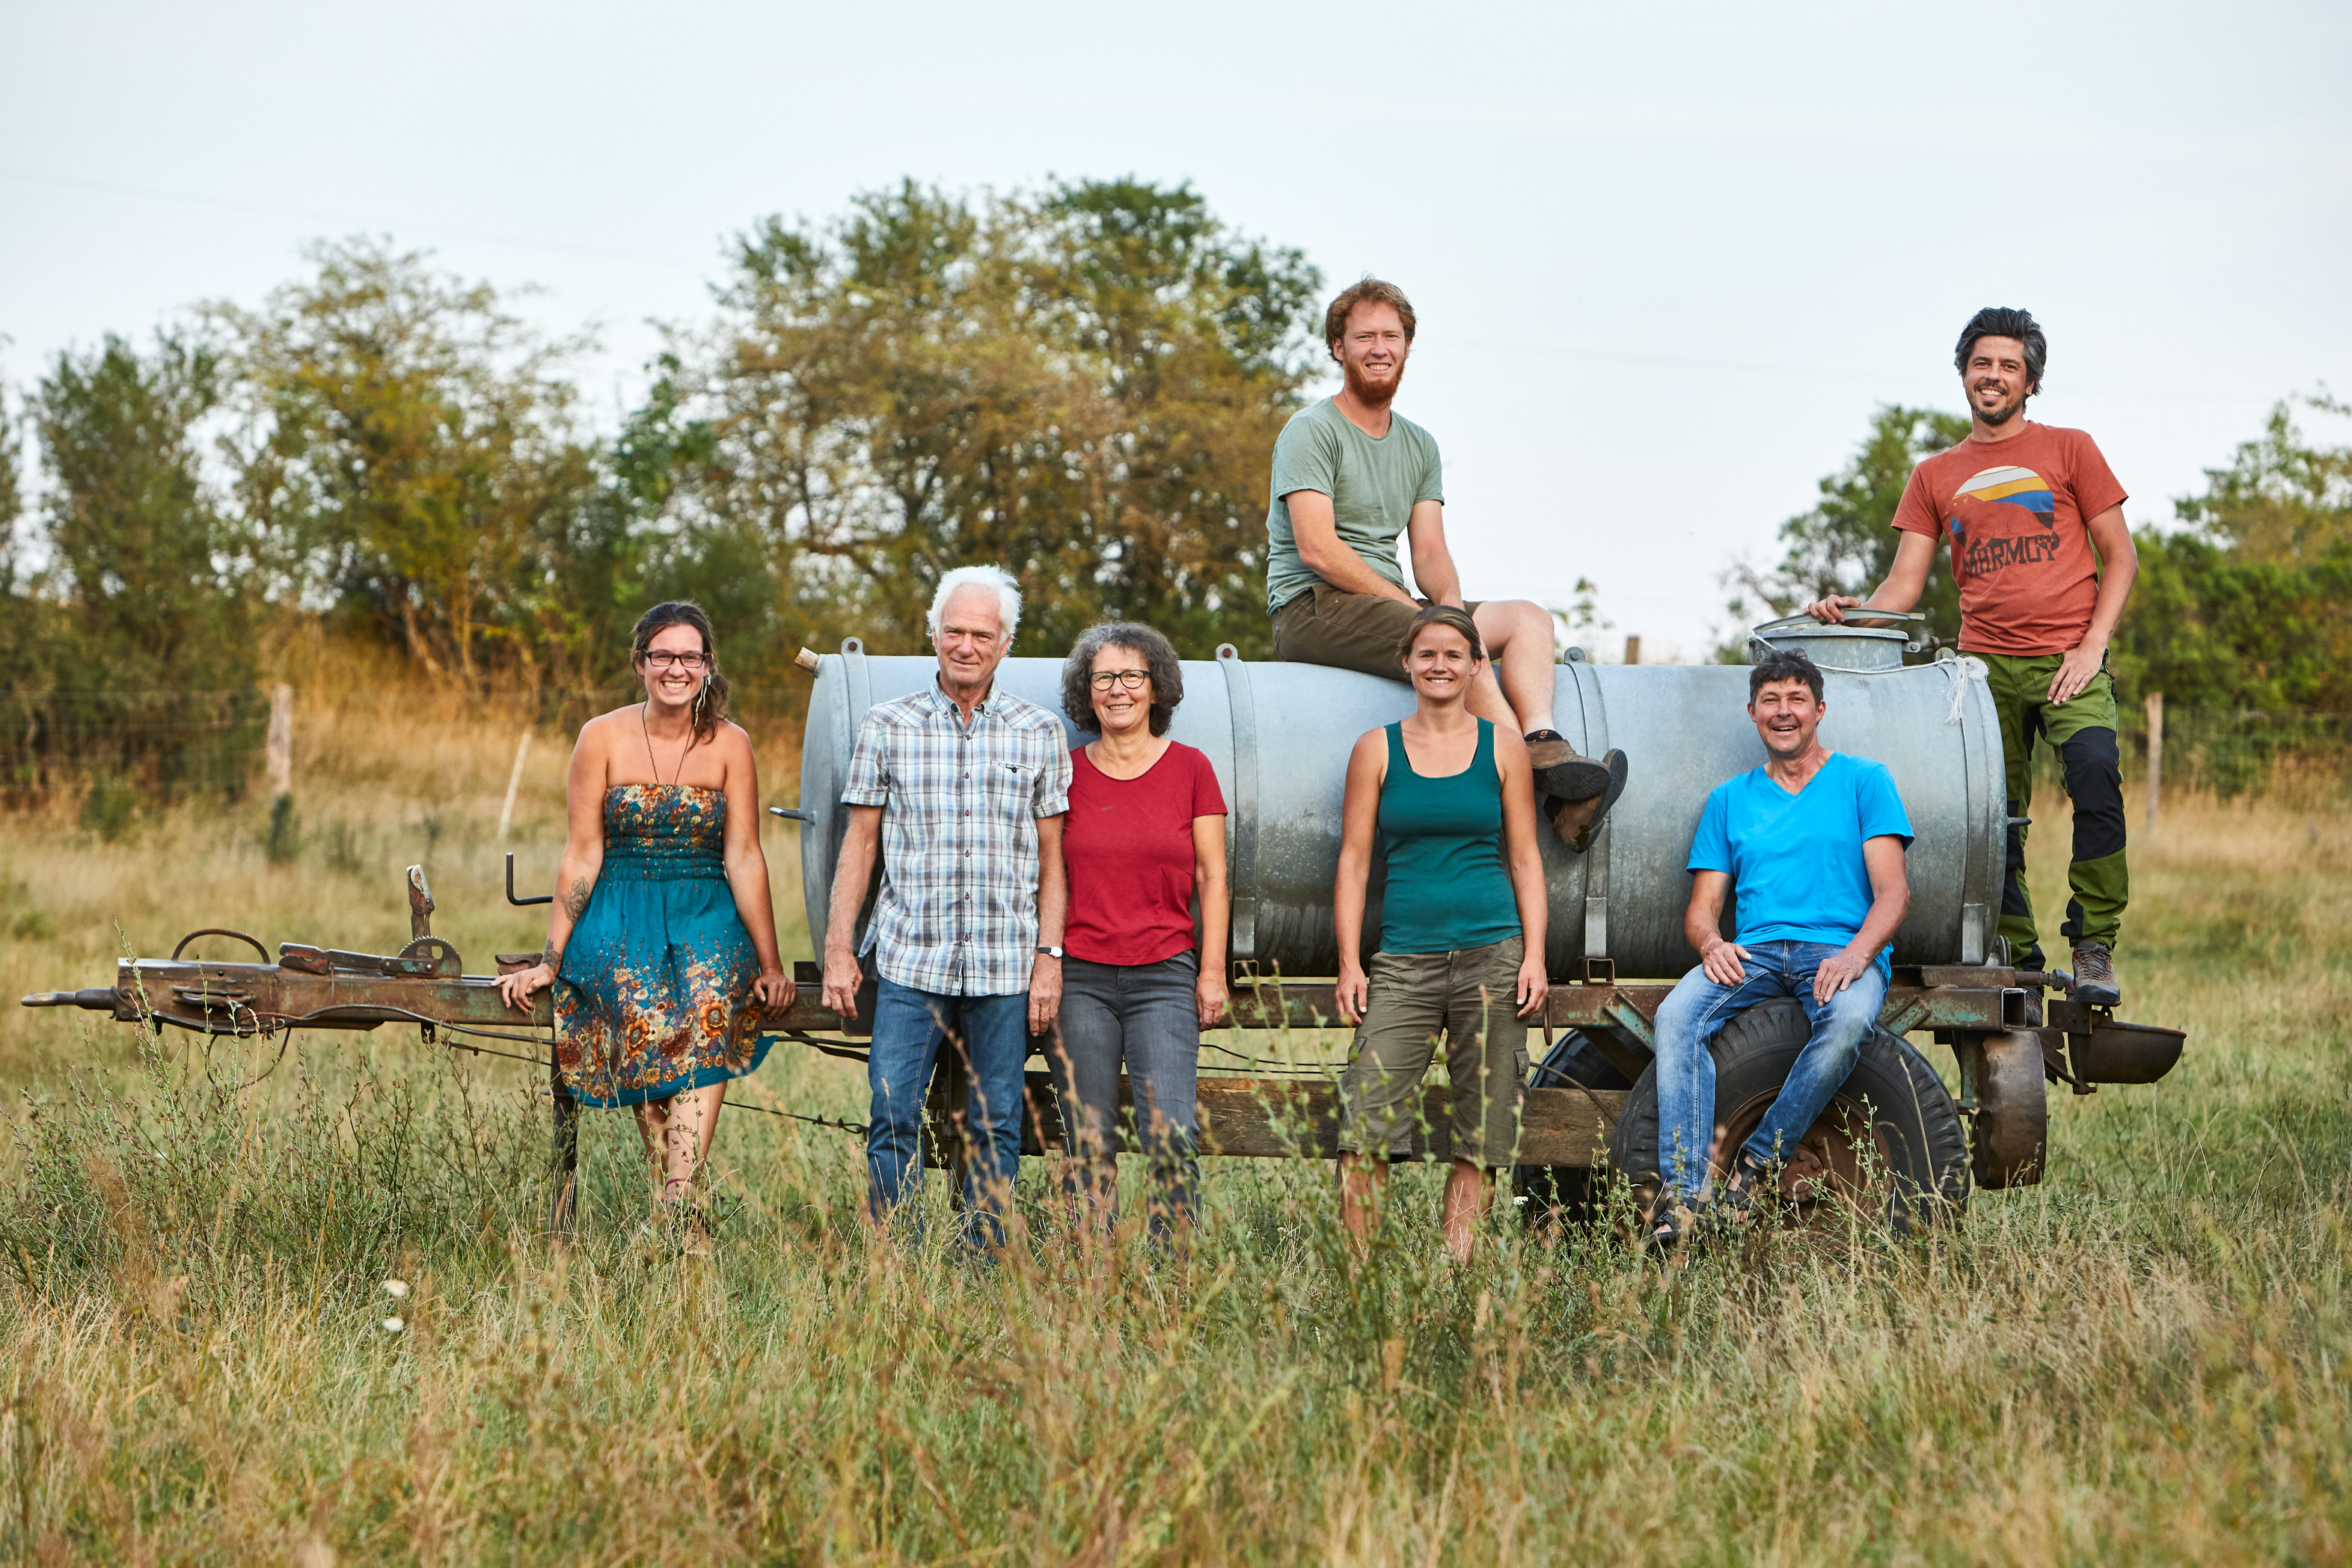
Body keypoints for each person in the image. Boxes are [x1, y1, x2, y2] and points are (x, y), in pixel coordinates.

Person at [1804, 307, 2134, 1004]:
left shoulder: (2071, 449)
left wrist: (2092, 645)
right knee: (1996, 818)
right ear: (1963, 375)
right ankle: (2016, 951)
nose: (1994, 376)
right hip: (1979, 673)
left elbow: (2121, 557)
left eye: (2009, 366)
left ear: (2030, 381)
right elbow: (1901, 586)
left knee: (2097, 778)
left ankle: (2094, 945)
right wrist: (1847, 612)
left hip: (2067, 663)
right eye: (1982, 364)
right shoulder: (1934, 474)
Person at [1264, 275, 1627, 851]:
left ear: (1408, 347)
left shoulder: (1419, 445)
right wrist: (1423, 617)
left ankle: (1543, 742)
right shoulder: (1311, 431)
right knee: (1451, 648)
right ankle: (1559, 798)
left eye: (1391, 336)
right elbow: (1318, 549)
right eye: (1363, 337)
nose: (1378, 348)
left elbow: (1429, 552)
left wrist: (1451, 611)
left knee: (1528, 618)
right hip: (1314, 605)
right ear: (1338, 347)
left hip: (1388, 603)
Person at [497, 601, 795, 1246]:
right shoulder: (600, 737)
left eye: (690, 656)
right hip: (621, 901)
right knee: (637, 1000)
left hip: (703, 903)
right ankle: (680, 1208)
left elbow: (744, 855)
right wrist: (551, 956)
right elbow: (582, 853)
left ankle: (674, 1204)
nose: (676, 668)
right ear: (640, 664)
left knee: (713, 994)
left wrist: (771, 965)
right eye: (663, 655)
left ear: (708, 666)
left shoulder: (731, 743)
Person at [821, 565, 1072, 1249]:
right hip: (909, 961)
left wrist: (1049, 959)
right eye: (954, 631)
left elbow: (1055, 860)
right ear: (932, 634)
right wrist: (840, 949)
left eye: (981, 634)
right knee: (893, 1112)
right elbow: (860, 845)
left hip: (1003, 965)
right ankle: (893, 1257)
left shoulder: (1039, 732)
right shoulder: (886, 725)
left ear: (1006, 642)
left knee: (996, 1123)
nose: (966, 645)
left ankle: (981, 1255)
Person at [1646, 647, 1911, 1249]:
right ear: (1752, 713)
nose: (1783, 712)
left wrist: (1854, 957)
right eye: (1771, 701)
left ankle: (1755, 1167)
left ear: (1820, 710)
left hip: (1839, 949)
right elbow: (1701, 909)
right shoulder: (1729, 800)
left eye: (1796, 700)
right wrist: (1711, 942)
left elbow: (1893, 895)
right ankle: (1684, 1203)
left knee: (1846, 1021)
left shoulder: (1864, 781)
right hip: (1756, 952)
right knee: (1676, 1015)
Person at [1332, 604, 1550, 1265]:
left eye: (1454, 655)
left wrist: (1536, 955)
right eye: (1427, 654)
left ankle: (1453, 1272)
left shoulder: (1502, 746)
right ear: (1407, 663)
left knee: (1484, 1129)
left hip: (1493, 952)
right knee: (1366, 1121)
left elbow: (1524, 859)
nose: (1439, 665)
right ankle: (1361, 1281)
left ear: (1476, 665)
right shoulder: (1377, 748)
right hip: (1403, 958)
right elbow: (1354, 861)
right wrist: (1351, 963)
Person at [1049, 622, 1230, 1246]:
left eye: (1132, 676)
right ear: (1086, 691)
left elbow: (1212, 875)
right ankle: (1090, 1270)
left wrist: (1212, 971)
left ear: (1156, 688)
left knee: (1172, 1133)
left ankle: (1169, 1274)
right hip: (1082, 979)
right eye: (1104, 678)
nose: (1118, 690)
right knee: (1087, 1131)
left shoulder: (1191, 769)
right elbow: (1049, 878)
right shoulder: (1066, 773)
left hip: (1165, 974)